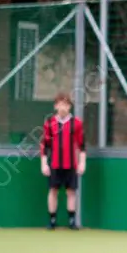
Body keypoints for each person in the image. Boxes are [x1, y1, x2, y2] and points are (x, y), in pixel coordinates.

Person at [40, 92, 86, 230]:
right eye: (60, 104)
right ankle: (52, 220)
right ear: (55, 106)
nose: (63, 107)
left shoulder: (77, 123)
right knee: (53, 191)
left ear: (70, 107)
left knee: (71, 192)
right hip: (54, 164)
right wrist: (44, 164)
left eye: (66, 104)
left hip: (71, 164)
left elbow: (82, 145)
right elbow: (44, 146)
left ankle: (72, 221)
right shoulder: (49, 123)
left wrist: (82, 163)